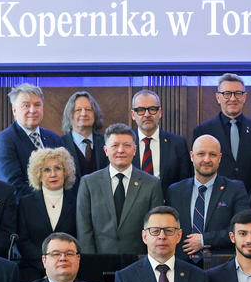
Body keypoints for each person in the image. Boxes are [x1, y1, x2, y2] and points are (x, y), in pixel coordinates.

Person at [76, 123, 163, 254]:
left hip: (138, 263)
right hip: (99, 263)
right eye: (115, 145)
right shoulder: (89, 183)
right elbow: (84, 230)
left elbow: (154, 230)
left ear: (134, 150)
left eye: (126, 145)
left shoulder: (151, 184)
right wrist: (91, 264)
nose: (121, 150)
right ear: (106, 150)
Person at [167, 134, 250, 262]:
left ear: (220, 158)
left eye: (212, 155)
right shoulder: (175, 191)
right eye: (201, 154)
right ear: (191, 156)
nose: (207, 159)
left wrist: (204, 240)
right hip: (181, 266)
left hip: (221, 265)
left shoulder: (235, 189)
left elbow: (242, 229)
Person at [193, 73, 251, 190]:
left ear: (244, 97)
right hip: (214, 199)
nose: (233, 98)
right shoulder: (203, 131)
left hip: (250, 201)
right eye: (227, 94)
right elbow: (197, 170)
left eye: (238, 94)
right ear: (218, 98)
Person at [0, 83, 64, 202]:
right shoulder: (3, 141)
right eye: (26, 105)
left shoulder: (54, 138)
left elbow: (67, 177)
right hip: (23, 214)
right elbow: (13, 187)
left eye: (37, 105)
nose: (33, 110)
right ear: (14, 110)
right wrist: (49, 199)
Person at [16, 148, 79, 282]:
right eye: (46, 170)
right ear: (38, 174)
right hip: (33, 268)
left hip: (68, 268)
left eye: (58, 168)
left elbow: (80, 239)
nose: (53, 174)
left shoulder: (77, 203)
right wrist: (48, 266)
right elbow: (23, 241)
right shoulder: (26, 203)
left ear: (66, 172)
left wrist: (60, 267)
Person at [130, 89, 193, 199]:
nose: (147, 114)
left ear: (160, 112)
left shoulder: (177, 143)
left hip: (167, 209)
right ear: (133, 114)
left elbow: (185, 183)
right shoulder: (126, 144)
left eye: (152, 109)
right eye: (140, 110)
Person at [60, 91, 108, 187]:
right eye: (78, 110)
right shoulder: (59, 144)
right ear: (70, 115)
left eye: (88, 110)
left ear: (95, 114)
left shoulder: (107, 143)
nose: (84, 114)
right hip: (71, 201)